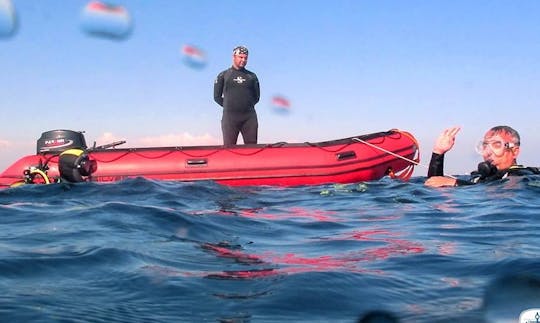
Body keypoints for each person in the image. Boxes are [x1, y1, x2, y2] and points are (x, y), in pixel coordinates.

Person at [425, 125, 539, 187]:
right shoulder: (479, 178)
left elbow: (509, 189)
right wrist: (438, 153)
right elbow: (433, 183)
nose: (488, 151)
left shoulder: (522, 177)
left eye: (496, 144)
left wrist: (456, 183)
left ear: (515, 151)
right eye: (485, 145)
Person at [213, 45, 260, 146]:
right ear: (234, 57)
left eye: (245, 58)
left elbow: (256, 97)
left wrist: (245, 106)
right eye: (241, 57)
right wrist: (229, 105)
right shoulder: (224, 75)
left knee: (252, 149)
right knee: (229, 149)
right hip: (230, 118)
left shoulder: (252, 76)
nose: (243, 60)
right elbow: (216, 97)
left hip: (249, 118)